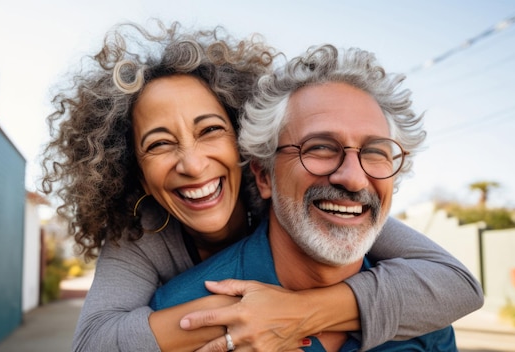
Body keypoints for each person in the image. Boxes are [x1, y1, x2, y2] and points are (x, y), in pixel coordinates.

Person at [39, 21, 483, 352]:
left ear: (247, 151)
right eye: (159, 144)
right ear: (133, 171)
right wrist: (242, 319)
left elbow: (457, 284)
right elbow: (96, 342)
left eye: (210, 130)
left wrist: (296, 313)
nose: (193, 165)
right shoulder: (141, 235)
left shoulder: (315, 197)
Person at [150, 43, 465, 351]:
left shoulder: (426, 317)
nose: (354, 179)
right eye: (320, 147)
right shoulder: (183, 313)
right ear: (263, 176)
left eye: (374, 152)